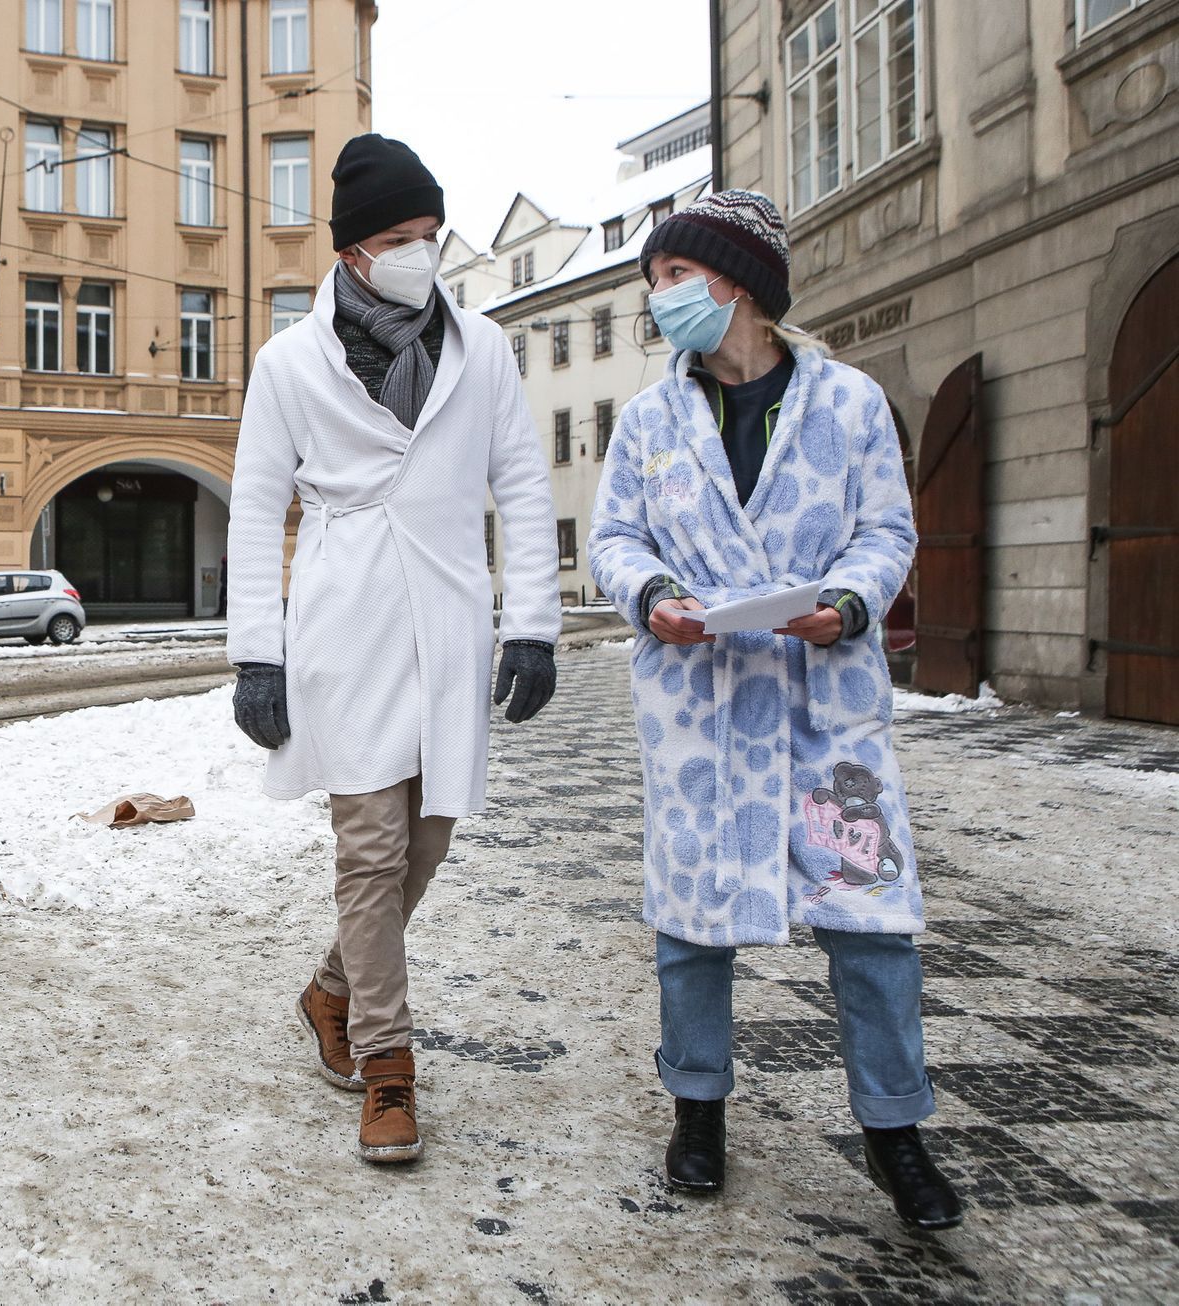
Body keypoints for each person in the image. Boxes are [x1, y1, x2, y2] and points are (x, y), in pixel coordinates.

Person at [588, 190, 963, 1230]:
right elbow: (613, 538)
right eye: (653, 283)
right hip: (701, 703)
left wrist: (845, 603)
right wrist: (650, 598)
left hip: (822, 703)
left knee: (871, 920)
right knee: (690, 926)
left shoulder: (845, 405)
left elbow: (886, 532)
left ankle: (894, 1130)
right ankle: (696, 1108)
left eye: (669, 277)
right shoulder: (652, 421)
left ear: (735, 283)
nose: (657, 300)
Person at [228, 135, 562, 1164]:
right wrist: (257, 652)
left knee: (427, 842)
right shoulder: (289, 362)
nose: (418, 254)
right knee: (369, 848)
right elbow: (250, 508)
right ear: (350, 253)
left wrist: (535, 624)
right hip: (347, 619)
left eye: (428, 234)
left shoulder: (486, 347)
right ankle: (387, 1068)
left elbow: (523, 482)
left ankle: (330, 988)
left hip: (452, 618)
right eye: (394, 239)